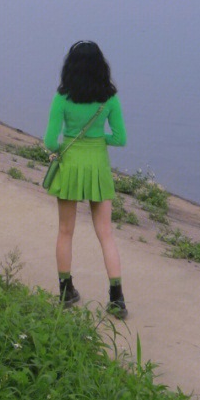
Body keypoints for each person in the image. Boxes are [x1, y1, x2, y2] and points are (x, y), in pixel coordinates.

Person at [43, 40, 128, 319]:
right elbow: (120, 138)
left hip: (70, 167)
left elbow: (49, 141)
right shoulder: (109, 98)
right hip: (98, 168)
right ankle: (117, 298)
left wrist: (68, 145)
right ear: (100, 66)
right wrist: (95, 139)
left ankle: (66, 291)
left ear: (71, 66)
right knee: (106, 234)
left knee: (65, 231)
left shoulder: (62, 97)